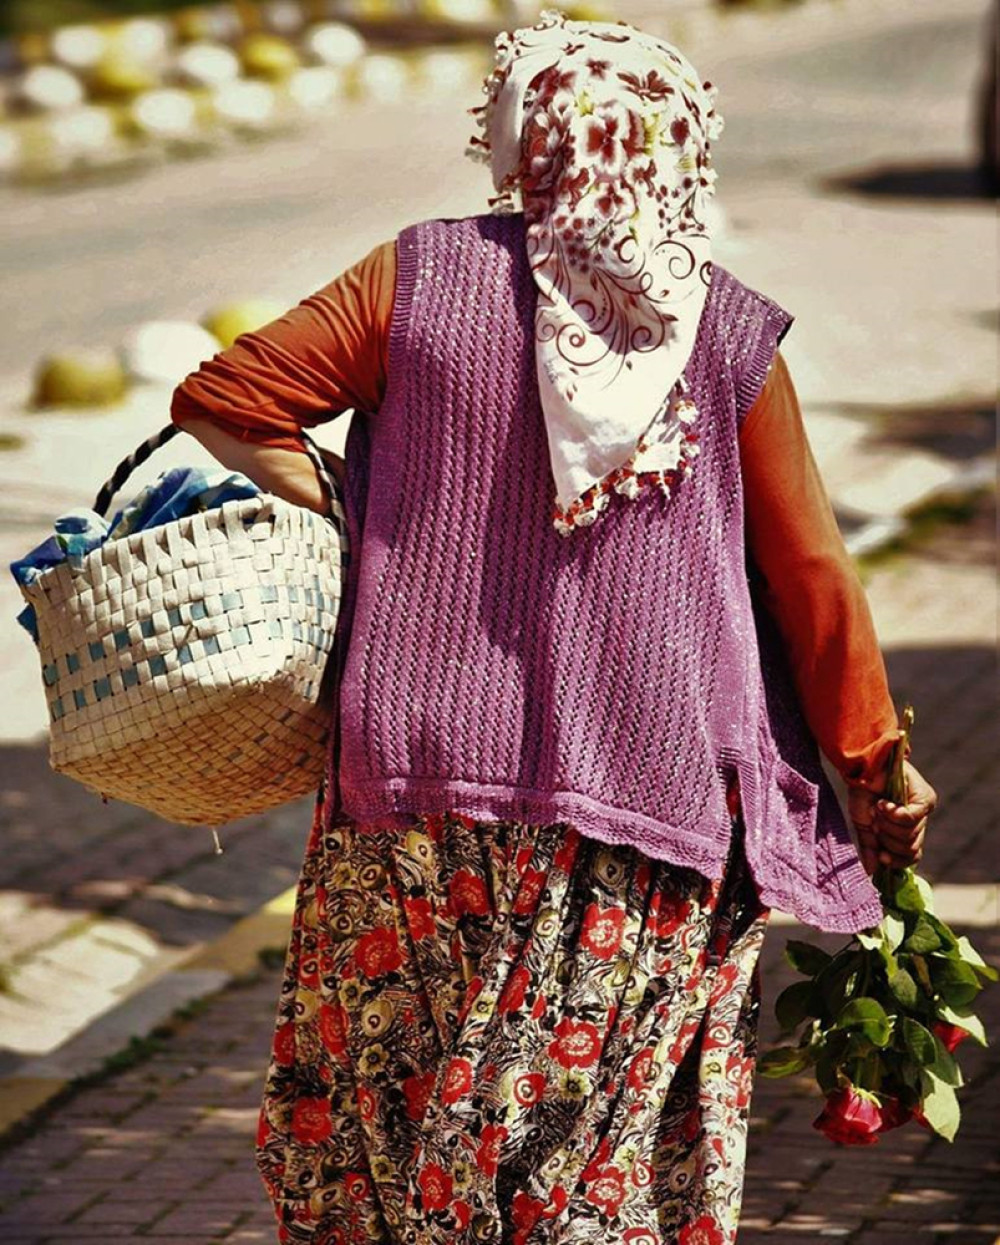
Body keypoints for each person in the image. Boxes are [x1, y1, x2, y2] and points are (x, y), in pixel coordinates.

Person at [170, 11, 937, 1243]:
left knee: (400, 1116)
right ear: (680, 151)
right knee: (596, 1150)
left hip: (414, 798)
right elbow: (811, 580)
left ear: (517, 143)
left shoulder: (407, 279)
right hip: (647, 810)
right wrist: (877, 775)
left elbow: (226, 396)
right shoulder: (727, 329)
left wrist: (367, 507)